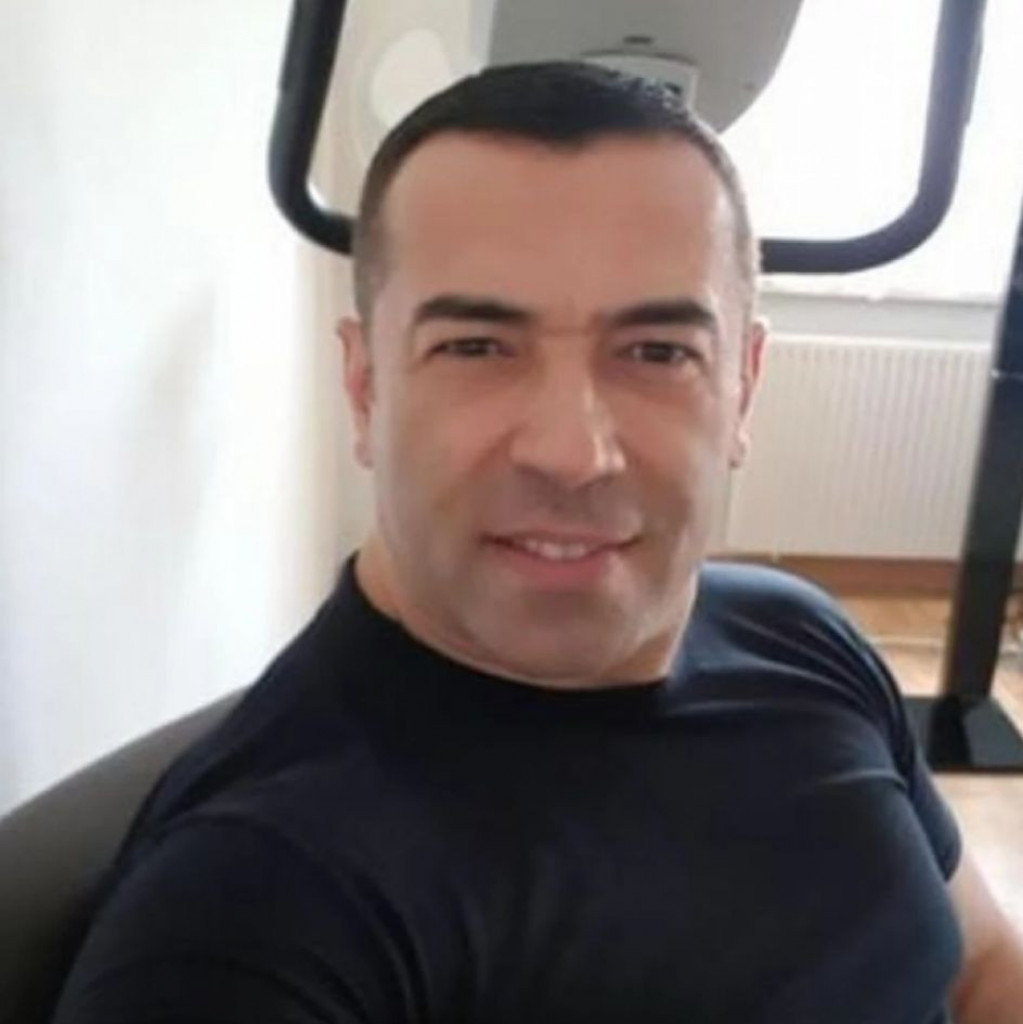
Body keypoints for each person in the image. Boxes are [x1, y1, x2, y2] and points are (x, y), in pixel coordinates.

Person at [53, 62, 1023, 1024]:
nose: (572, 453)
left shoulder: (799, 633)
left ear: (744, 388)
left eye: (657, 352)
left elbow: (980, 966)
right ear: (365, 387)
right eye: (476, 348)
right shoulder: (251, 911)